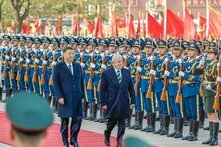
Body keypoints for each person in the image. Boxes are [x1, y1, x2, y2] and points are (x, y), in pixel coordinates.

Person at [53, 46, 85, 147]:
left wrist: (83, 95)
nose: (72, 55)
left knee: (78, 119)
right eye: (70, 53)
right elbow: (55, 82)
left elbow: (81, 81)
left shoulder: (77, 65)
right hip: (65, 97)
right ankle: (65, 141)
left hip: (77, 96)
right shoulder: (58, 66)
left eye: (73, 53)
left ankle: (73, 139)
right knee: (64, 122)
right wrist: (59, 96)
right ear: (63, 54)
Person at [100, 54, 135, 147]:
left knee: (122, 122)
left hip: (124, 101)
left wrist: (133, 101)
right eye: (119, 61)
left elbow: (131, 88)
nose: (121, 63)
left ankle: (119, 142)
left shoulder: (126, 72)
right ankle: (107, 133)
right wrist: (103, 103)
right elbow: (102, 90)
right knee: (112, 122)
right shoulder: (106, 73)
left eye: (122, 61)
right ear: (113, 63)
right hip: (112, 101)